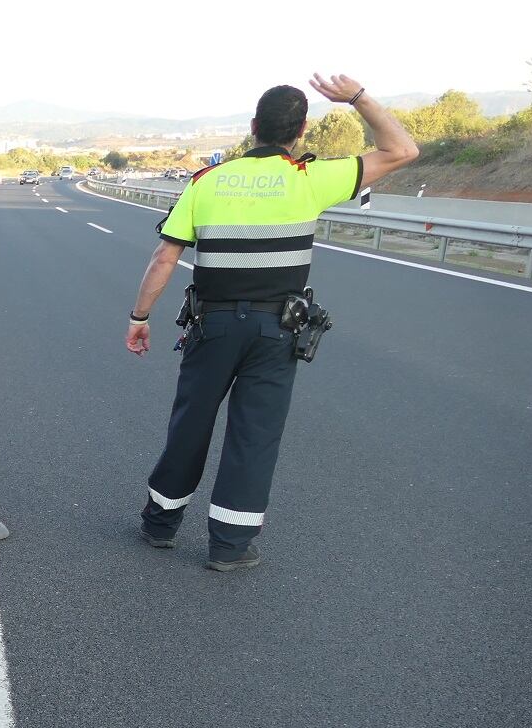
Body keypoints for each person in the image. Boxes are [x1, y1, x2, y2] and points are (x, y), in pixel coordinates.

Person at [125, 74, 418, 571]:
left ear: (254, 126)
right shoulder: (310, 178)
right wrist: (356, 98)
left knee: (190, 423)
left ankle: (159, 526)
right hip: (275, 331)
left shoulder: (207, 181)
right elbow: (402, 150)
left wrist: (140, 317)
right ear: (300, 131)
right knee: (253, 434)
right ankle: (229, 548)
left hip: (211, 326)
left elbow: (163, 257)